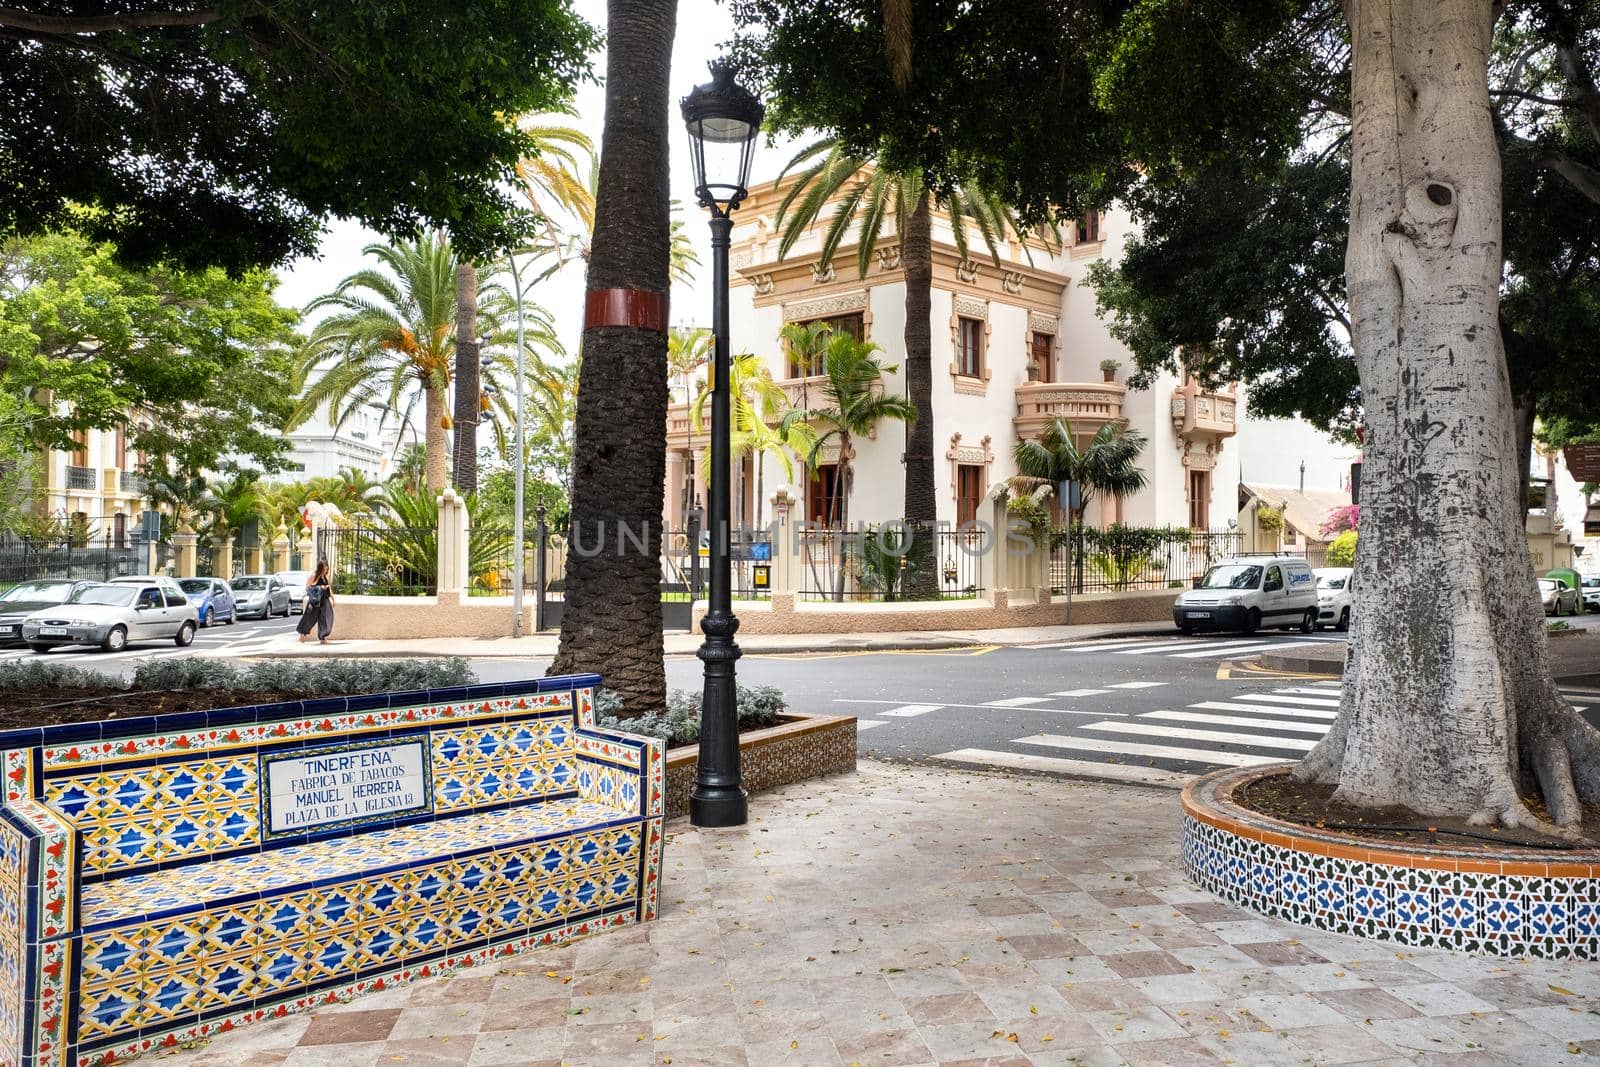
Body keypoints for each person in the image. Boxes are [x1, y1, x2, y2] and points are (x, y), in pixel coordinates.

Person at [296, 560, 335, 643]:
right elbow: (307, 587)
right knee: (309, 618)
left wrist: (333, 599)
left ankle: (322, 638)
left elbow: (329, 589)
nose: (326, 571)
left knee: (324, 619)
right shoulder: (314, 575)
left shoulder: (324, 577)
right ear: (320, 568)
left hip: (324, 600)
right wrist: (320, 588)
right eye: (324, 569)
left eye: (327, 569)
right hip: (315, 601)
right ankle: (302, 634)